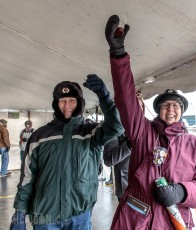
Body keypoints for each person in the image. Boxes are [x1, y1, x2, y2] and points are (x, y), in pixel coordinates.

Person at [105, 15, 196, 229]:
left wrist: (181, 191)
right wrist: (118, 55)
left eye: (176, 106)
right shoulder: (142, 132)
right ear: (158, 111)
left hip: (175, 221)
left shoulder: (194, 145)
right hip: (137, 221)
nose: (171, 109)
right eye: (165, 106)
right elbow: (126, 99)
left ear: (181, 112)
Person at [10, 74, 123, 230]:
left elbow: (116, 126)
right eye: (62, 101)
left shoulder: (90, 132)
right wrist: (19, 213)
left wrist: (105, 98)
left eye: (72, 100)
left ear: (79, 103)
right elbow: (27, 177)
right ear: (56, 104)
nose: (67, 105)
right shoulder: (39, 136)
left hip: (79, 215)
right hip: (44, 215)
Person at [103, 92, 145, 201]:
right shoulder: (115, 129)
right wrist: (129, 145)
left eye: (138, 107)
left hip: (147, 187)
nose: (135, 110)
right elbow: (109, 160)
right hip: (126, 188)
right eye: (131, 106)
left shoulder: (149, 128)